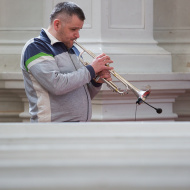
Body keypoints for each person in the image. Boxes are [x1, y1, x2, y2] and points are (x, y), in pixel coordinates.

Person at [20, 1, 113, 122]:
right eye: (73, 29)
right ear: (57, 24)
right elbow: (57, 85)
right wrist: (91, 69)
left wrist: (96, 81)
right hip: (52, 130)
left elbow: (82, 95)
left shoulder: (72, 49)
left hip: (77, 128)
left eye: (79, 29)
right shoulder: (36, 47)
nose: (77, 35)